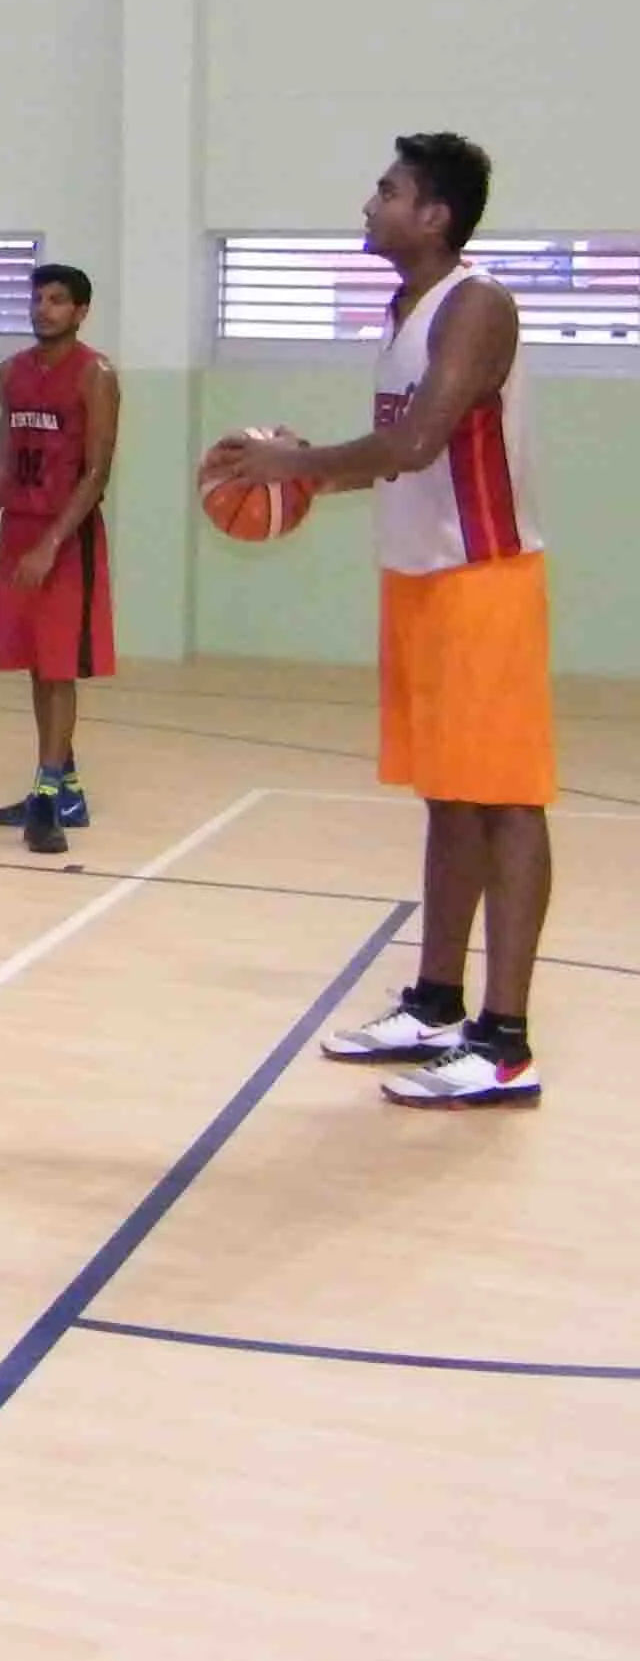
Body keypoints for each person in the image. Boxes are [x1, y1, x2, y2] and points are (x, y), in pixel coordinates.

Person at [210, 132, 551, 1109]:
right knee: (449, 795)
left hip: (486, 578)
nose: (370, 203)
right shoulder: (408, 309)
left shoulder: (476, 304)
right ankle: (437, 1004)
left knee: (507, 802)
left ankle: (507, 1042)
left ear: (434, 215)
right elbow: (392, 457)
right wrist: (302, 462)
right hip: (422, 579)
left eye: (388, 190)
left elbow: (416, 441)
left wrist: (292, 469)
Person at [0, 263, 119, 855]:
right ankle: (63, 787)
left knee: (58, 669)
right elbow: (4, 460)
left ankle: (48, 797)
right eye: (38, 299)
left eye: (57, 301)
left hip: (67, 535)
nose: (43, 309)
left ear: (80, 312)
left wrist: (53, 541)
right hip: (19, 533)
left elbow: (98, 472)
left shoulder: (95, 375)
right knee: (35, 664)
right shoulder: (12, 373)